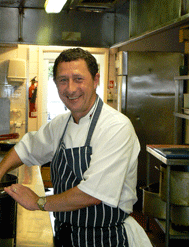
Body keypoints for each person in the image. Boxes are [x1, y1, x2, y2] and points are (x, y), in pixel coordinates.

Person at [0, 48, 152, 247]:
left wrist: (39, 202)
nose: (70, 89)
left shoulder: (116, 127)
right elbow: (26, 148)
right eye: (63, 80)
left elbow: (93, 194)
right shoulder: (60, 124)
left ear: (95, 80)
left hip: (105, 238)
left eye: (78, 79)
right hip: (66, 235)